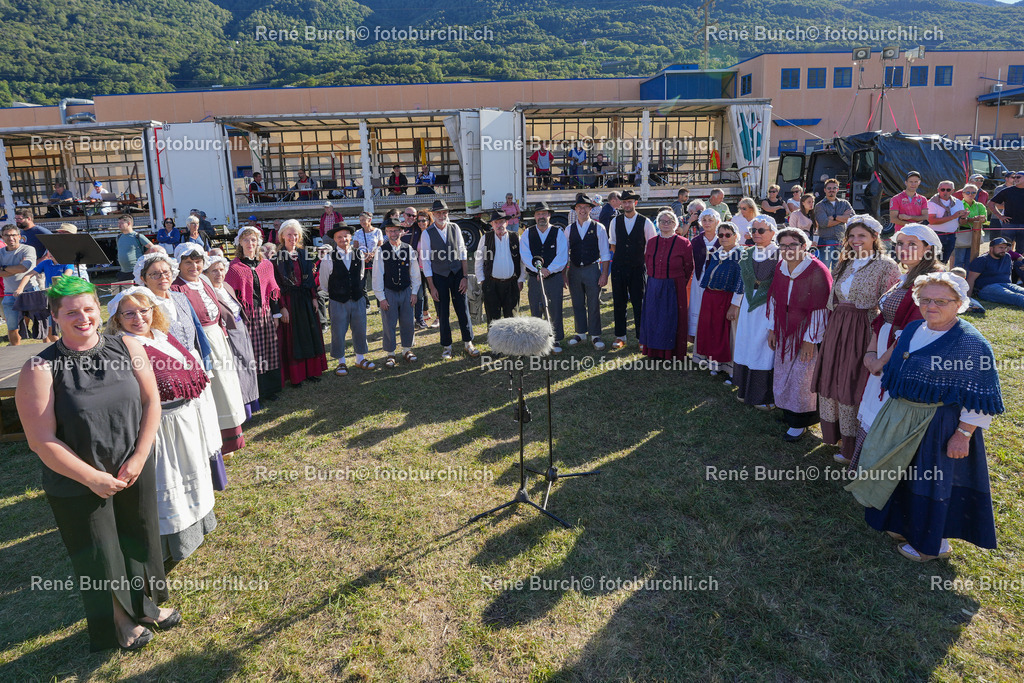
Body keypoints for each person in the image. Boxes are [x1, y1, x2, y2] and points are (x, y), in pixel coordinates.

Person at [15, 276, 177, 651]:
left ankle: (143, 605)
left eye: (89, 308)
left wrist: (139, 456)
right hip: (76, 479)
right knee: (99, 550)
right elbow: (41, 440)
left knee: (138, 536)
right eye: (71, 312)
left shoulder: (130, 345)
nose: (83, 317)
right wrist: (91, 477)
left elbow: (152, 403)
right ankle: (117, 622)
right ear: (55, 316)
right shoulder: (40, 368)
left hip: (132, 466)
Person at [847, 272, 1004, 562]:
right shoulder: (913, 328)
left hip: (938, 425)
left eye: (941, 301)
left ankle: (933, 545)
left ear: (960, 303)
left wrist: (963, 434)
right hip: (902, 415)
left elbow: (979, 395)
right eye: (926, 299)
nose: (931, 306)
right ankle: (902, 524)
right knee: (901, 474)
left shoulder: (970, 343)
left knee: (930, 481)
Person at [106, 286, 217, 565]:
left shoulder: (162, 337)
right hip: (161, 428)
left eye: (144, 310)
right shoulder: (122, 347)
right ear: (117, 318)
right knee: (171, 484)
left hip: (186, 420)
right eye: (128, 313)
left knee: (192, 474)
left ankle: (200, 526)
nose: (138, 317)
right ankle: (173, 543)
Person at [852, 224, 944, 468]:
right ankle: (866, 465)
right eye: (900, 244)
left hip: (902, 356)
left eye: (912, 244)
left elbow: (914, 330)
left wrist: (881, 361)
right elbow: (881, 318)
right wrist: (871, 352)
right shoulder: (906, 277)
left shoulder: (930, 281)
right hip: (882, 349)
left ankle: (883, 469)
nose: (904, 249)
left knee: (888, 407)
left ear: (928, 249)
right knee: (874, 404)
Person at [812, 215, 901, 463]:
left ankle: (852, 445)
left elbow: (890, 305)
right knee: (834, 376)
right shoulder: (844, 262)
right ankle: (835, 434)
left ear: (875, 237)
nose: (855, 241)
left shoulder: (886, 265)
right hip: (838, 325)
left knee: (852, 380)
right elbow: (835, 298)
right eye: (851, 236)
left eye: (861, 236)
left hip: (864, 327)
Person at [171, 243, 247, 455]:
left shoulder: (204, 280)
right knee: (215, 390)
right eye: (188, 262)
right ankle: (219, 441)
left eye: (197, 262)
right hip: (201, 343)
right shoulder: (176, 289)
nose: (194, 266)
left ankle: (233, 437)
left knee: (227, 386)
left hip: (218, 338)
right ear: (179, 264)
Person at [767, 229, 833, 442]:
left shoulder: (816, 270)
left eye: (792, 245)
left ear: (804, 246)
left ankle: (801, 422)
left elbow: (820, 308)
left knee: (802, 377)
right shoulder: (780, 266)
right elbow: (775, 299)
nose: (787, 250)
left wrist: (810, 340)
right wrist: (772, 328)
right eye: (783, 246)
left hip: (807, 330)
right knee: (784, 371)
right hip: (784, 326)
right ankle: (788, 413)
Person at [226, 227, 284, 400]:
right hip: (246, 316)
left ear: (258, 242)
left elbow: (272, 292)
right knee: (253, 353)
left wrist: (276, 314)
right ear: (239, 243)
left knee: (269, 349)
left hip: (265, 313)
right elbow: (230, 296)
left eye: (253, 240)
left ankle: (271, 389)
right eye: (246, 240)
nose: (250, 244)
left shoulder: (266, 265)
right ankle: (256, 391)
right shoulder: (234, 267)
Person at [727, 215, 779, 408]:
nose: (756, 234)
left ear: (773, 232)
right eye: (754, 230)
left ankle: (762, 397)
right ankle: (743, 390)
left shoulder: (780, 254)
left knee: (763, 347)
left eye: (761, 231)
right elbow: (742, 282)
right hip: (748, 306)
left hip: (769, 307)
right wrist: (735, 304)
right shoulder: (747, 254)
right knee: (746, 343)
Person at [419, 199, 479, 359]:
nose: (441, 215)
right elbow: (425, 260)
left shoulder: (455, 227)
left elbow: (463, 252)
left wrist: (465, 277)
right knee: (443, 312)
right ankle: (447, 346)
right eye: (438, 212)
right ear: (433, 214)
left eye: (444, 212)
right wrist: (431, 286)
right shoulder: (427, 233)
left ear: (447, 213)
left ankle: (468, 343)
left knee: (463, 309)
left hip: (457, 274)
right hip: (439, 276)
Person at [205, 256, 260, 417]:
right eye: (214, 270)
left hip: (241, 329)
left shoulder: (227, 286)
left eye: (221, 270)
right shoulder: (208, 292)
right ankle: (243, 408)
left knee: (248, 365)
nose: (218, 274)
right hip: (227, 333)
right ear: (206, 273)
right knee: (237, 370)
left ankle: (252, 402)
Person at [274, 220, 328, 384]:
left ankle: (310, 371)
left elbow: (310, 278)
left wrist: (313, 298)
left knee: (308, 334)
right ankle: (296, 376)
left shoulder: (303, 254)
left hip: (305, 299)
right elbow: (276, 284)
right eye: (289, 234)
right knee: (294, 338)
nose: (292, 237)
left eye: (295, 234)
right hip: (289, 302)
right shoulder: (277, 258)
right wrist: (282, 307)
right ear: (282, 236)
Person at [638, 210, 693, 360]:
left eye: (669, 221)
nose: (666, 224)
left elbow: (688, 266)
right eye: (662, 221)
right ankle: (654, 351)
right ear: (658, 224)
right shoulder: (652, 241)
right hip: (654, 283)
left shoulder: (684, 243)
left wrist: (677, 280)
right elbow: (648, 261)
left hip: (674, 285)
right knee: (654, 317)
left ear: (675, 224)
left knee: (671, 319)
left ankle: (672, 352)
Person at [319, 223, 373, 375]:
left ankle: (360, 358)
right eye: (339, 237)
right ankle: (341, 362)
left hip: (357, 298)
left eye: (345, 236)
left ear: (351, 237)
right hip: (338, 301)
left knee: (360, 329)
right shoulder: (328, 258)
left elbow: (361, 275)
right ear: (335, 240)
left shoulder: (359, 254)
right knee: (338, 331)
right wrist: (338, 293)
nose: (343, 239)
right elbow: (324, 283)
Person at [608, 190, 656, 349]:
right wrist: (623, 259)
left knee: (639, 302)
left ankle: (642, 337)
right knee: (619, 301)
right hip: (619, 267)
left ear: (635, 203)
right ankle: (620, 336)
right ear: (620, 203)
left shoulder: (645, 222)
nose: (627, 205)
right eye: (624, 202)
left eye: (630, 202)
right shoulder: (615, 221)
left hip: (638, 268)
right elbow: (613, 245)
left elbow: (651, 247)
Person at [563, 194, 610, 350]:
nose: (582, 210)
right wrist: (564, 274)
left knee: (593, 302)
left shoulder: (599, 227)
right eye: (579, 207)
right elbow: (564, 253)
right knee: (577, 302)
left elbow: (605, 253)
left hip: (592, 269)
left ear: (591, 209)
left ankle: (595, 335)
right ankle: (581, 333)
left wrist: (604, 274)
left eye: (585, 207)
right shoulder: (569, 229)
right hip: (574, 269)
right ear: (575, 210)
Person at [520, 202, 568, 353]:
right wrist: (538, 270)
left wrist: (548, 270)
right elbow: (525, 255)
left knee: (555, 308)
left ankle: (556, 339)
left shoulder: (558, 232)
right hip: (535, 278)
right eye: (538, 214)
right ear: (534, 216)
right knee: (536, 309)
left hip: (553, 278)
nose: (541, 216)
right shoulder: (527, 233)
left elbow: (562, 255)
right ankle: (537, 341)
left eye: (544, 213)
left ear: (549, 215)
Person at [374, 218, 421, 366]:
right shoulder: (381, 250)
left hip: (406, 290)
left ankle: (407, 349)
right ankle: (390, 353)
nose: (393, 233)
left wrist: (414, 292)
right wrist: (381, 297)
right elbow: (377, 276)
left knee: (408, 321)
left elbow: (414, 272)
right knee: (389, 322)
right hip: (389, 291)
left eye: (396, 230)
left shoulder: (409, 249)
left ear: (401, 231)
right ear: (386, 233)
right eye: (390, 231)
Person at [697, 222, 742, 374]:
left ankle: (729, 368)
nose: (724, 238)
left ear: (735, 236)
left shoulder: (741, 255)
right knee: (711, 330)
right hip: (710, 297)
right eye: (720, 235)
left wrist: (734, 305)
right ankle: (713, 363)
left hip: (726, 298)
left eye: (728, 235)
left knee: (726, 333)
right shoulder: (716, 253)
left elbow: (741, 282)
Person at [474, 209, 523, 325]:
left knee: (511, 319)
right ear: (492, 224)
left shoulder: (516, 237)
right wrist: (481, 280)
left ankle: (511, 343)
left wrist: (521, 279)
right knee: (493, 319)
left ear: (506, 223)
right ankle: (494, 343)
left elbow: (523, 261)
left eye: (501, 222)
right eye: (496, 222)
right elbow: (479, 260)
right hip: (491, 284)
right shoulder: (485, 238)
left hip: (512, 283)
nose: (499, 225)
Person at [0, 223, 37, 345]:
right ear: (2, 237)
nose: (11, 238)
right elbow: (19, 268)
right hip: (10, 294)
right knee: (12, 327)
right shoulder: (1, 253)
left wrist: (3, 268)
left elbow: (24, 268)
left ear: (19, 236)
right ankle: (14, 352)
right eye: (7, 236)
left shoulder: (28, 249)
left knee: (42, 325)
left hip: (31, 291)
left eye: (13, 235)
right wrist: (15, 268)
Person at [688, 209, 720, 349]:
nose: (707, 223)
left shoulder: (722, 239)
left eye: (710, 220)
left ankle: (711, 337)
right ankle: (696, 339)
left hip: (716, 281)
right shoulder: (696, 241)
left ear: (717, 222)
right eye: (704, 220)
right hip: (698, 278)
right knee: (697, 304)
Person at [967, 237, 1024, 308]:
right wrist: (968, 298)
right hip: (987, 288)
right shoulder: (982, 260)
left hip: (1006, 284)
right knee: (1017, 297)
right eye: (1000, 247)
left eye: (1005, 248)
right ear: (991, 248)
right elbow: (971, 279)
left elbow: (1008, 275)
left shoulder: (1007, 257)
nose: (1003, 250)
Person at [813, 178, 853, 269]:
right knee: (824, 269)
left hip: (842, 241)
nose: (832, 190)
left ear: (837, 189)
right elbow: (824, 223)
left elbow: (852, 219)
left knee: (840, 270)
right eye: (829, 188)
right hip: (826, 242)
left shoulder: (844, 203)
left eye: (834, 188)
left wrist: (834, 217)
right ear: (825, 190)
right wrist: (843, 217)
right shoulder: (820, 205)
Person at [927, 180, 968, 265]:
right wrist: (953, 217)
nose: (945, 192)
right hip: (935, 235)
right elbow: (932, 221)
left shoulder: (958, 203)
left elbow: (961, 222)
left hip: (951, 235)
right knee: (931, 262)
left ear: (953, 191)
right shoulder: (932, 202)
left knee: (944, 262)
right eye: (943, 189)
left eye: (948, 190)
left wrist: (964, 217)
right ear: (938, 190)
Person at [988, 170, 1024, 252]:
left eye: (1018, 177)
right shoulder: (1007, 191)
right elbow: (991, 203)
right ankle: (1006, 264)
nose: (1015, 179)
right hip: (1009, 224)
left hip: (1023, 226)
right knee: (1005, 249)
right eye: (1014, 177)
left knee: (1021, 250)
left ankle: (1018, 265)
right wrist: (999, 216)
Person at [352, 212, 383, 306]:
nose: (361, 222)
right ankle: (366, 304)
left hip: (375, 259)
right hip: (362, 259)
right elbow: (355, 247)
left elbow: (380, 245)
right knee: (362, 282)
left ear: (369, 220)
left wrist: (372, 254)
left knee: (377, 282)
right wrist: (363, 255)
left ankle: (379, 303)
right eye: (360, 220)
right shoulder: (358, 232)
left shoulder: (377, 231)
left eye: (363, 220)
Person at [954, 183, 988, 269]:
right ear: (963, 193)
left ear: (976, 194)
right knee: (959, 260)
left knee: (972, 260)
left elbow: (985, 220)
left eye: (973, 192)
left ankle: (969, 280)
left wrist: (981, 219)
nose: (970, 194)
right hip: (962, 233)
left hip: (975, 234)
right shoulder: (958, 204)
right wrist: (973, 219)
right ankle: (959, 279)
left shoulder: (980, 206)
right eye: (968, 192)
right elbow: (958, 220)